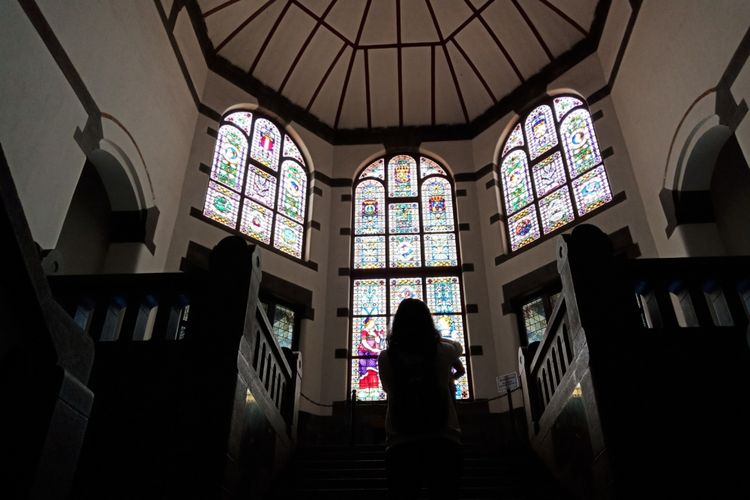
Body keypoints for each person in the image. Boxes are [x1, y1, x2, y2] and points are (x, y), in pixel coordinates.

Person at [378, 298, 464, 500]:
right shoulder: (445, 350)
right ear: (428, 322)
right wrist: (436, 338)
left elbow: (387, 388)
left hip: (400, 441)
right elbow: (458, 346)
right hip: (444, 438)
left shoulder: (385, 357)